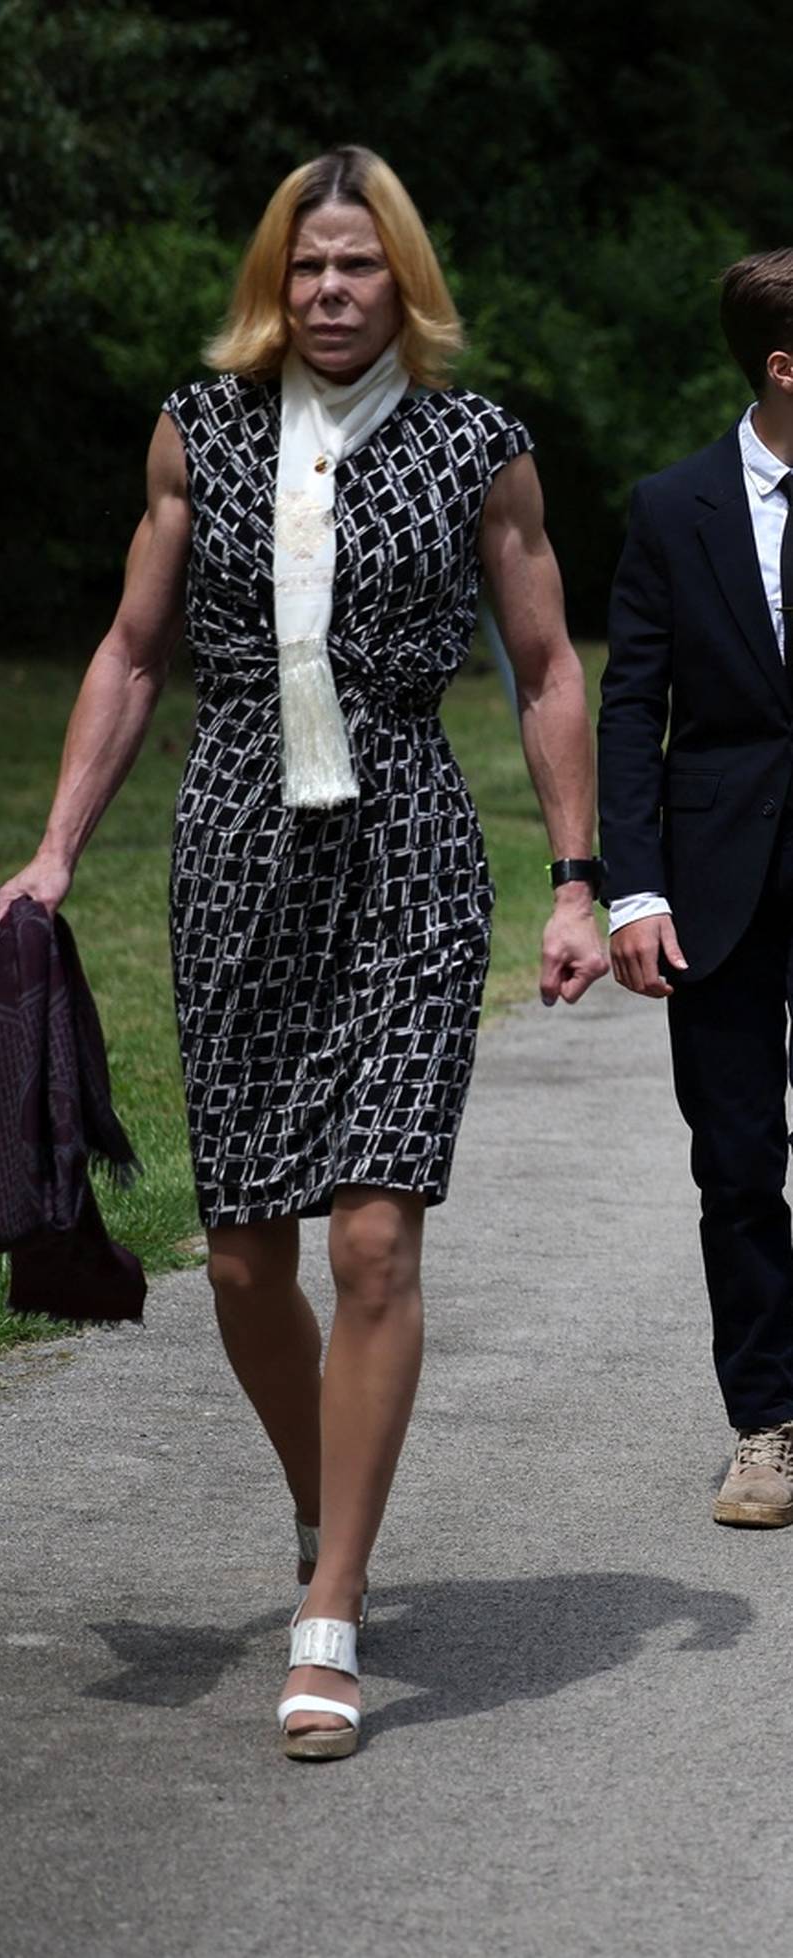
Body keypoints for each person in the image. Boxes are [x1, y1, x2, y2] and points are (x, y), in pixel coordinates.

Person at [0, 145, 606, 1758]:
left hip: (407, 845)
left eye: (360, 266)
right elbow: (133, 651)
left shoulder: (483, 447)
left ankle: (328, 1605)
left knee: (373, 1244)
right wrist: (56, 848)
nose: (333, 293)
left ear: (405, 278)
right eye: (308, 266)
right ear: (276, 280)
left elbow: (546, 668)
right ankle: (319, 1498)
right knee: (253, 1256)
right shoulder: (200, 436)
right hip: (239, 853)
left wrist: (574, 879)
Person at [599, 248, 793, 1530]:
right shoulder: (674, 508)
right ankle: (766, 1424)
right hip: (721, 877)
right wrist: (630, 891)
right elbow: (629, 707)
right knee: (734, 1160)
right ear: (781, 366)